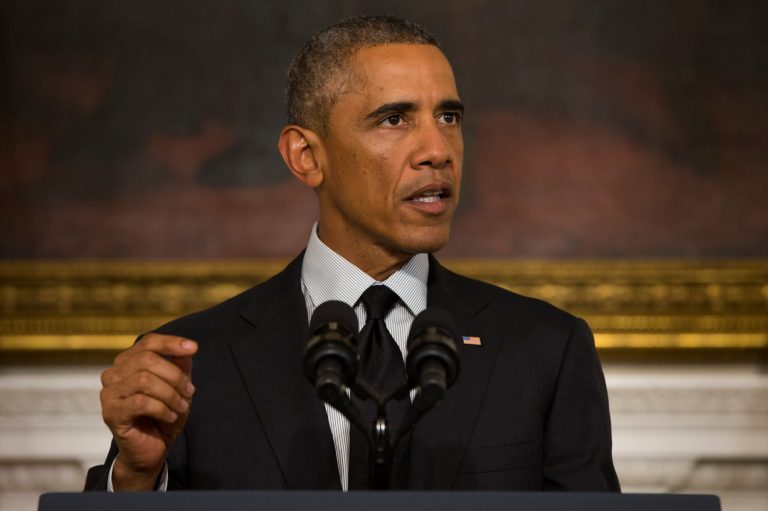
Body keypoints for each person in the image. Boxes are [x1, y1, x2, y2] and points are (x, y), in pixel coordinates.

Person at [85, 15, 620, 492]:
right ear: (306, 156)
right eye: (395, 119)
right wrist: (135, 478)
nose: (438, 150)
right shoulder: (197, 363)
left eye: (449, 117)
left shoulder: (546, 350)